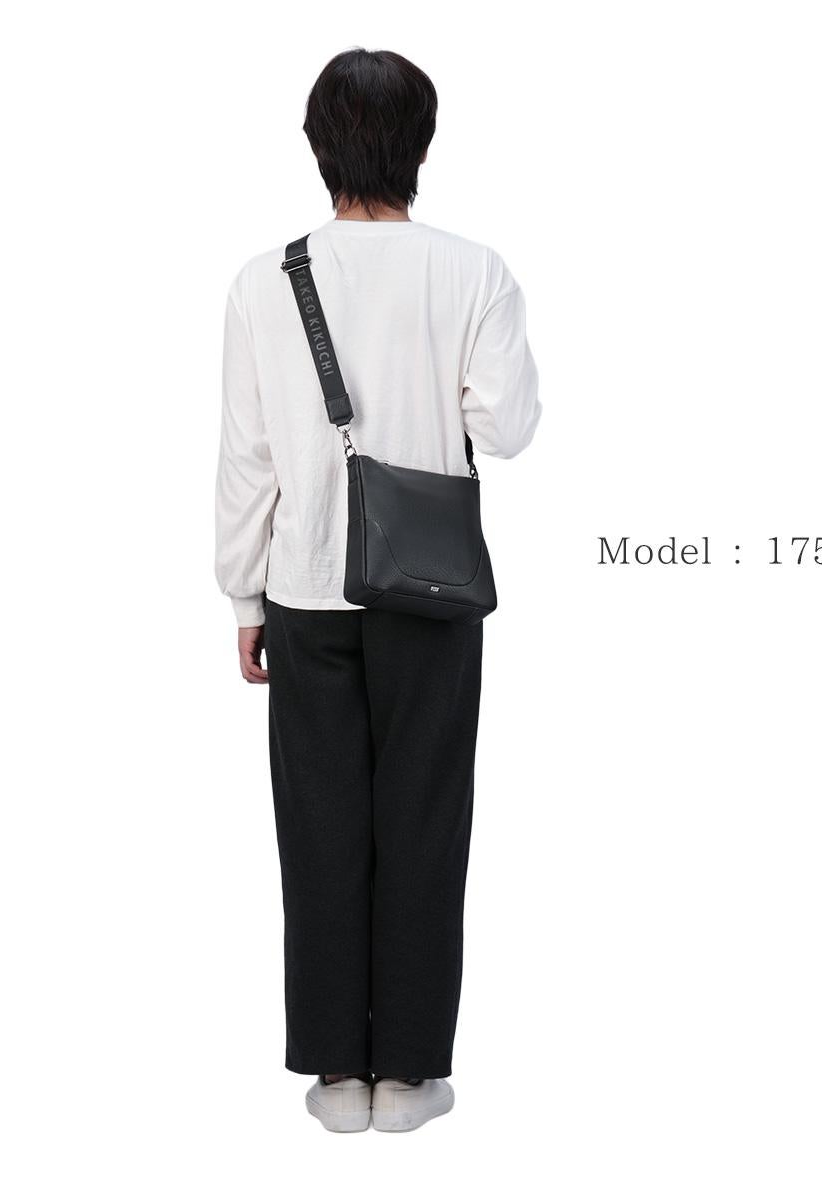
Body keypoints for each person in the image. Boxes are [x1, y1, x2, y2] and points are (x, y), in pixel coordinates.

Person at [214, 48, 541, 1133]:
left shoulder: (264, 280)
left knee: (319, 832)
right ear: (422, 145)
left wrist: (244, 599)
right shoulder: (475, 271)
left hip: (306, 590)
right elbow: (508, 428)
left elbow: (248, 457)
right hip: (429, 595)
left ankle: (335, 1079)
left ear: (319, 146)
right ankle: (409, 1076)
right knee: (424, 824)